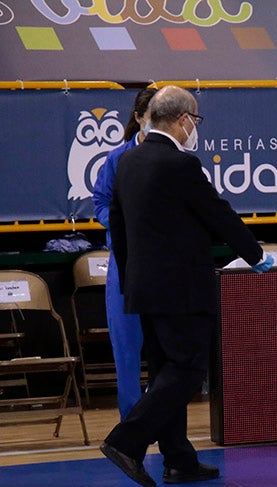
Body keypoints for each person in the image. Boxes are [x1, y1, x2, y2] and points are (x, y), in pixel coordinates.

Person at [99, 85, 274, 487]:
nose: (195, 128)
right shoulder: (181, 164)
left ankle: (178, 459)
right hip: (182, 289)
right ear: (182, 120)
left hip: (144, 288)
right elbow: (218, 214)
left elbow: (118, 229)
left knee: (164, 369)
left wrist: (130, 279)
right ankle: (126, 441)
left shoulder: (127, 162)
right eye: (194, 120)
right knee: (187, 369)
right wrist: (255, 255)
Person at [92, 87, 155, 419]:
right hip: (126, 264)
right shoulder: (117, 159)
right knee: (127, 350)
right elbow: (100, 202)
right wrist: (120, 227)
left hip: (162, 265)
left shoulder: (175, 158)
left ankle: (163, 421)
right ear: (139, 118)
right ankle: (131, 425)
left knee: (164, 349)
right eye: (152, 116)